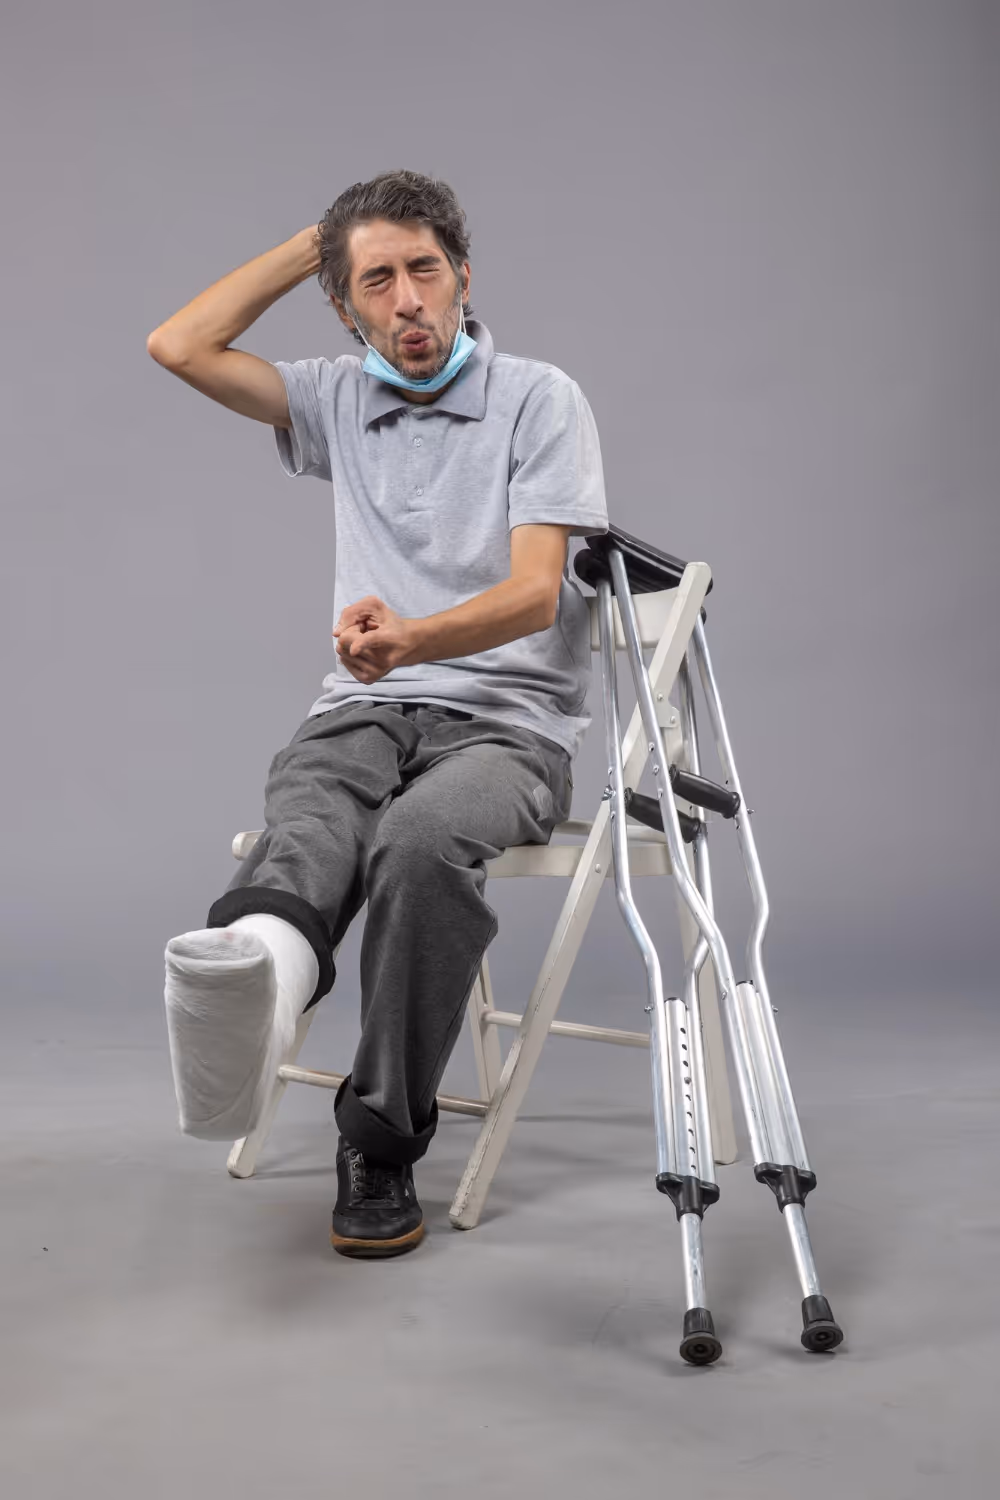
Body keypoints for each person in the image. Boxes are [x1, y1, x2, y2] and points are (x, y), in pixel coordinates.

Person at [148, 169, 609, 1258]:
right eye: (376, 281)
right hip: (368, 710)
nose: (407, 300)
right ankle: (259, 968)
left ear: (461, 278)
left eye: (424, 270)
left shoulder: (539, 397)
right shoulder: (337, 398)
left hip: (511, 729)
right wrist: (319, 238)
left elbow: (536, 592)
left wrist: (408, 638)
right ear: (344, 305)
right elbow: (178, 344)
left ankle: (381, 1137)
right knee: (312, 799)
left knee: (415, 840)